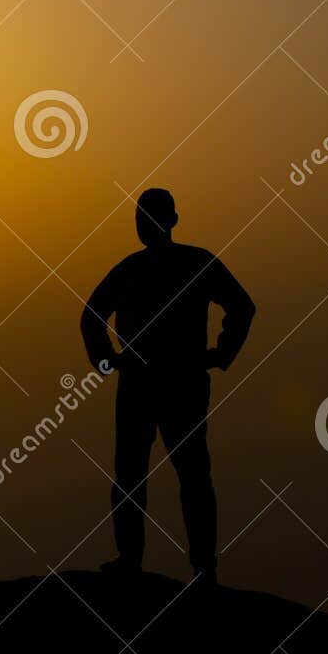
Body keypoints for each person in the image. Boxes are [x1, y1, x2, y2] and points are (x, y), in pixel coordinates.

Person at [80, 188, 255, 584]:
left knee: (165, 475)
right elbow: (242, 306)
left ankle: (183, 564)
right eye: (141, 218)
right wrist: (219, 354)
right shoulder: (189, 263)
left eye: (148, 218)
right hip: (168, 381)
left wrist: (108, 359)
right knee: (166, 476)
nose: (145, 225)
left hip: (162, 382)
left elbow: (91, 316)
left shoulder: (144, 268)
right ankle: (187, 565)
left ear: (170, 220)